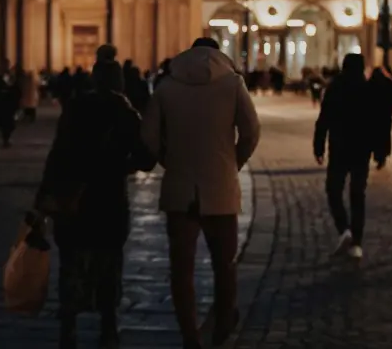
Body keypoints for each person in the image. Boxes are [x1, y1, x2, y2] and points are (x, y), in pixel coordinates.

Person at [141, 37, 260, 349]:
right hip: (220, 186)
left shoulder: (167, 86)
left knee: (182, 268)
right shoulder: (232, 84)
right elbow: (251, 131)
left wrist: (169, 160)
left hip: (180, 187)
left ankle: (189, 334)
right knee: (225, 264)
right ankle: (222, 324)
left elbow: (149, 138)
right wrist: (234, 161)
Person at [36, 60, 156, 349]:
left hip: (74, 201)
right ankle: (108, 327)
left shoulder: (75, 108)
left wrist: (44, 197)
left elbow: (57, 155)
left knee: (71, 267)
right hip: (109, 203)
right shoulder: (125, 112)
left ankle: (68, 328)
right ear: (119, 82)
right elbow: (147, 158)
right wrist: (121, 165)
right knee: (109, 265)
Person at [313, 53, 380, 260]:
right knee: (357, 194)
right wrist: (379, 150)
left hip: (339, 147)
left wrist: (319, 146)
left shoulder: (335, 87)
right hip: (361, 149)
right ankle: (356, 242)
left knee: (334, 189)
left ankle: (344, 229)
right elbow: (376, 122)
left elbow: (323, 119)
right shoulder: (368, 88)